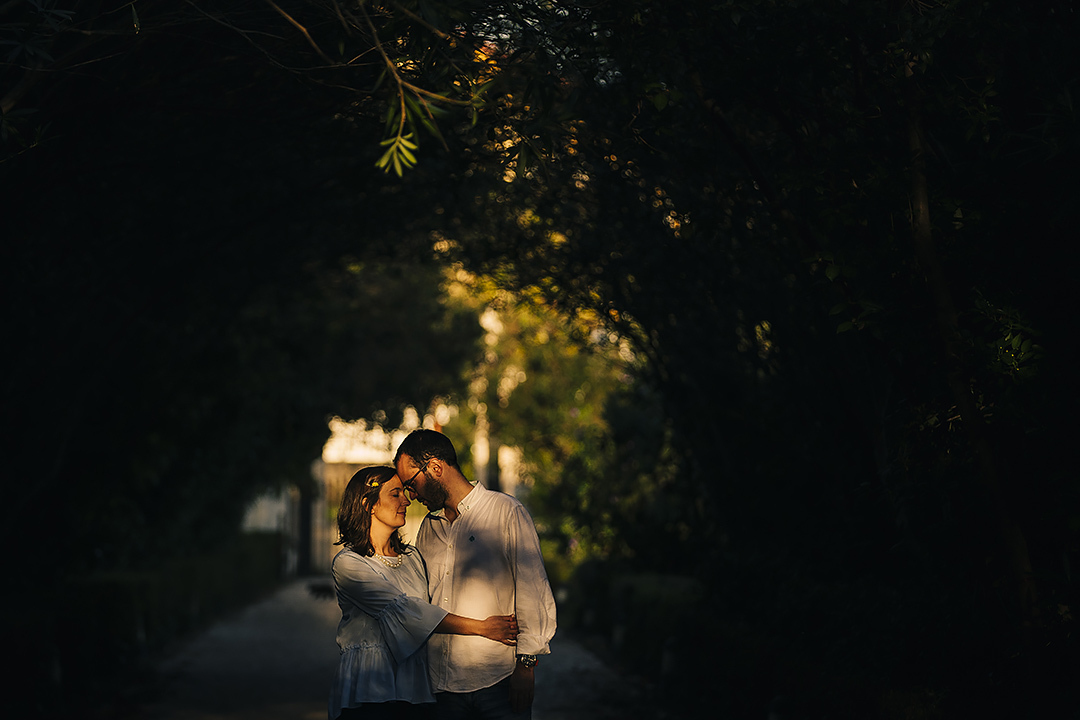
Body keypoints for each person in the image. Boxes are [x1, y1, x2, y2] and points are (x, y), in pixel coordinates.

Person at [329, 466, 520, 720]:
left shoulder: (412, 557)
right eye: (395, 494)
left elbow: (441, 597)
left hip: (414, 690)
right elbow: (409, 612)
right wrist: (482, 627)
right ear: (368, 504)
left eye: (404, 493)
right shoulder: (349, 563)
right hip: (370, 687)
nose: (406, 501)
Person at [394, 429, 557, 720]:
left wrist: (526, 664)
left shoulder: (506, 512)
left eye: (411, 483)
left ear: (435, 467)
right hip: (440, 687)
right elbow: (420, 605)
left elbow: (533, 588)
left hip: (498, 682)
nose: (411, 494)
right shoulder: (429, 528)